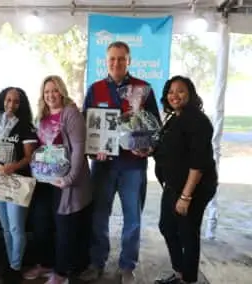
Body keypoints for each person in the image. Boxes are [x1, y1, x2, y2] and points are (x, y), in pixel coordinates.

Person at [80, 41, 161, 284]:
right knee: (99, 216)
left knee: (133, 219)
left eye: (121, 59)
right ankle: (97, 262)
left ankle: (127, 266)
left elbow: (155, 127)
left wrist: (147, 147)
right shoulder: (95, 89)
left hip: (132, 166)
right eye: (112, 59)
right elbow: (86, 126)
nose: (116, 63)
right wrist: (93, 151)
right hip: (103, 166)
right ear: (106, 62)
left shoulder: (143, 89)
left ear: (129, 61)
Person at [24, 75, 92, 284]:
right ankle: (45, 264)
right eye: (46, 92)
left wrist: (70, 178)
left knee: (65, 227)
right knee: (42, 223)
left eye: (54, 90)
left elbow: (79, 149)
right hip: (46, 182)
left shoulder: (71, 114)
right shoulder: (42, 117)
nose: (50, 95)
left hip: (67, 184)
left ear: (61, 91)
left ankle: (61, 273)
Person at [153, 76, 217, 284]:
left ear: (190, 93)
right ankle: (180, 273)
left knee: (188, 232)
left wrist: (186, 196)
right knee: (167, 227)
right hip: (173, 185)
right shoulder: (174, 118)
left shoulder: (198, 121)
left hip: (194, 188)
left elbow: (199, 163)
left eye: (180, 91)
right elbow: (166, 151)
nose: (174, 95)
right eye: (171, 91)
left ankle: (188, 279)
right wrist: (147, 150)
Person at [0, 87, 38, 284]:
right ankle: (10, 264)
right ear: (2, 101)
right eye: (8, 100)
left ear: (21, 104)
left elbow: (29, 157)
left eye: (16, 101)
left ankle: (15, 268)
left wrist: (13, 166)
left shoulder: (26, 126)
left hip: (17, 183)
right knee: (6, 229)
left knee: (17, 228)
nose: (11, 104)